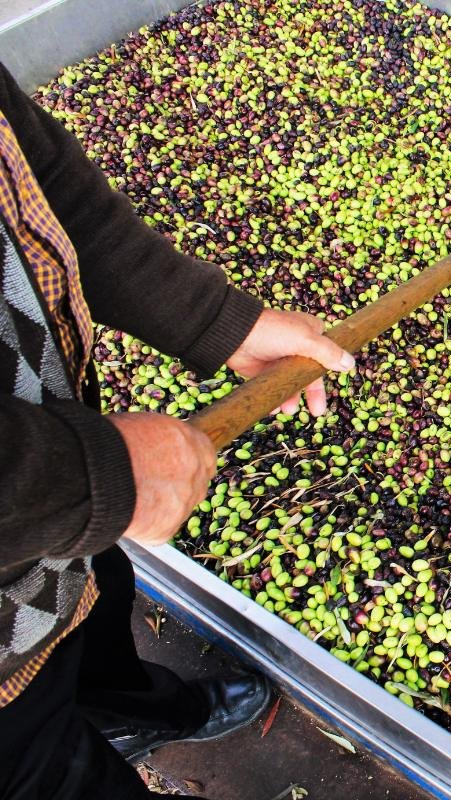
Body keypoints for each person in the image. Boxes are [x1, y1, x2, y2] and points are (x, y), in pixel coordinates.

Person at [0, 59, 356, 800]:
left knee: (98, 603)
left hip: (58, 511)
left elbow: (35, 185)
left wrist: (217, 322)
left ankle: (125, 708)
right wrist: (95, 475)